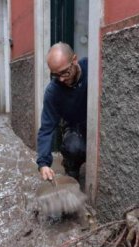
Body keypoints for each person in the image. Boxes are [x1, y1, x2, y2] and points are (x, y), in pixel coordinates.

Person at [36, 42, 87, 181]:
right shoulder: (53, 91)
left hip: (96, 123)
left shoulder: (91, 68)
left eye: (64, 72)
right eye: (56, 75)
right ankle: (71, 170)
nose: (62, 79)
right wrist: (43, 163)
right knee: (73, 147)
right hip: (73, 127)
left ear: (74, 60)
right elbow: (46, 129)